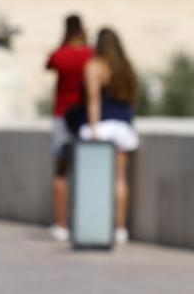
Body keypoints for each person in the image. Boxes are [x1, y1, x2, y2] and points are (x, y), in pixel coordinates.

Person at [79, 28, 141, 245]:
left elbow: (93, 99)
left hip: (102, 126)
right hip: (123, 128)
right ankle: (120, 228)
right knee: (120, 180)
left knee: (94, 181)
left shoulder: (95, 66)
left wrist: (94, 130)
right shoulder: (126, 67)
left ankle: (94, 224)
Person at [45, 14, 93, 242]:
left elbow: (49, 64)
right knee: (87, 170)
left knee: (61, 171)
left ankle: (60, 224)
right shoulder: (89, 55)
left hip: (61, 115)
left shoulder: (60, 55)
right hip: (83, 116)